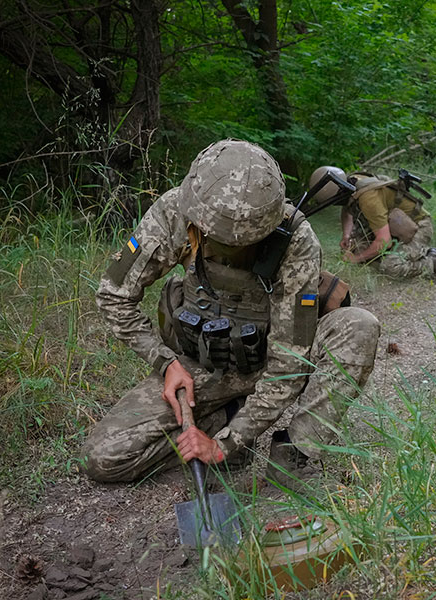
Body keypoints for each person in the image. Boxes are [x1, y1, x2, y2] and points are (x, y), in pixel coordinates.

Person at [81, 140, 380, 489]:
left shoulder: (295, 238)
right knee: (101, 457)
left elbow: (288, 363)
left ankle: (296, 455)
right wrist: (166, 364)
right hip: (203, 367)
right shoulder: (174, 213)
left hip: (271, 360)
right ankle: (227, 414)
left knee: (357, 326)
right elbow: (114, 294)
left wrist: (226, 444)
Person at [310, 166, 436, 283]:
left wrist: (356, 259)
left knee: (391, 267)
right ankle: (398, 255)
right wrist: (346, 235)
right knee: (357, 249)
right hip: (394, 226)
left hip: (418, 227)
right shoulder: (351, 182)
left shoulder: (368, 200)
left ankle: (432, 261)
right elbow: (347, 210)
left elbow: (384, 241)